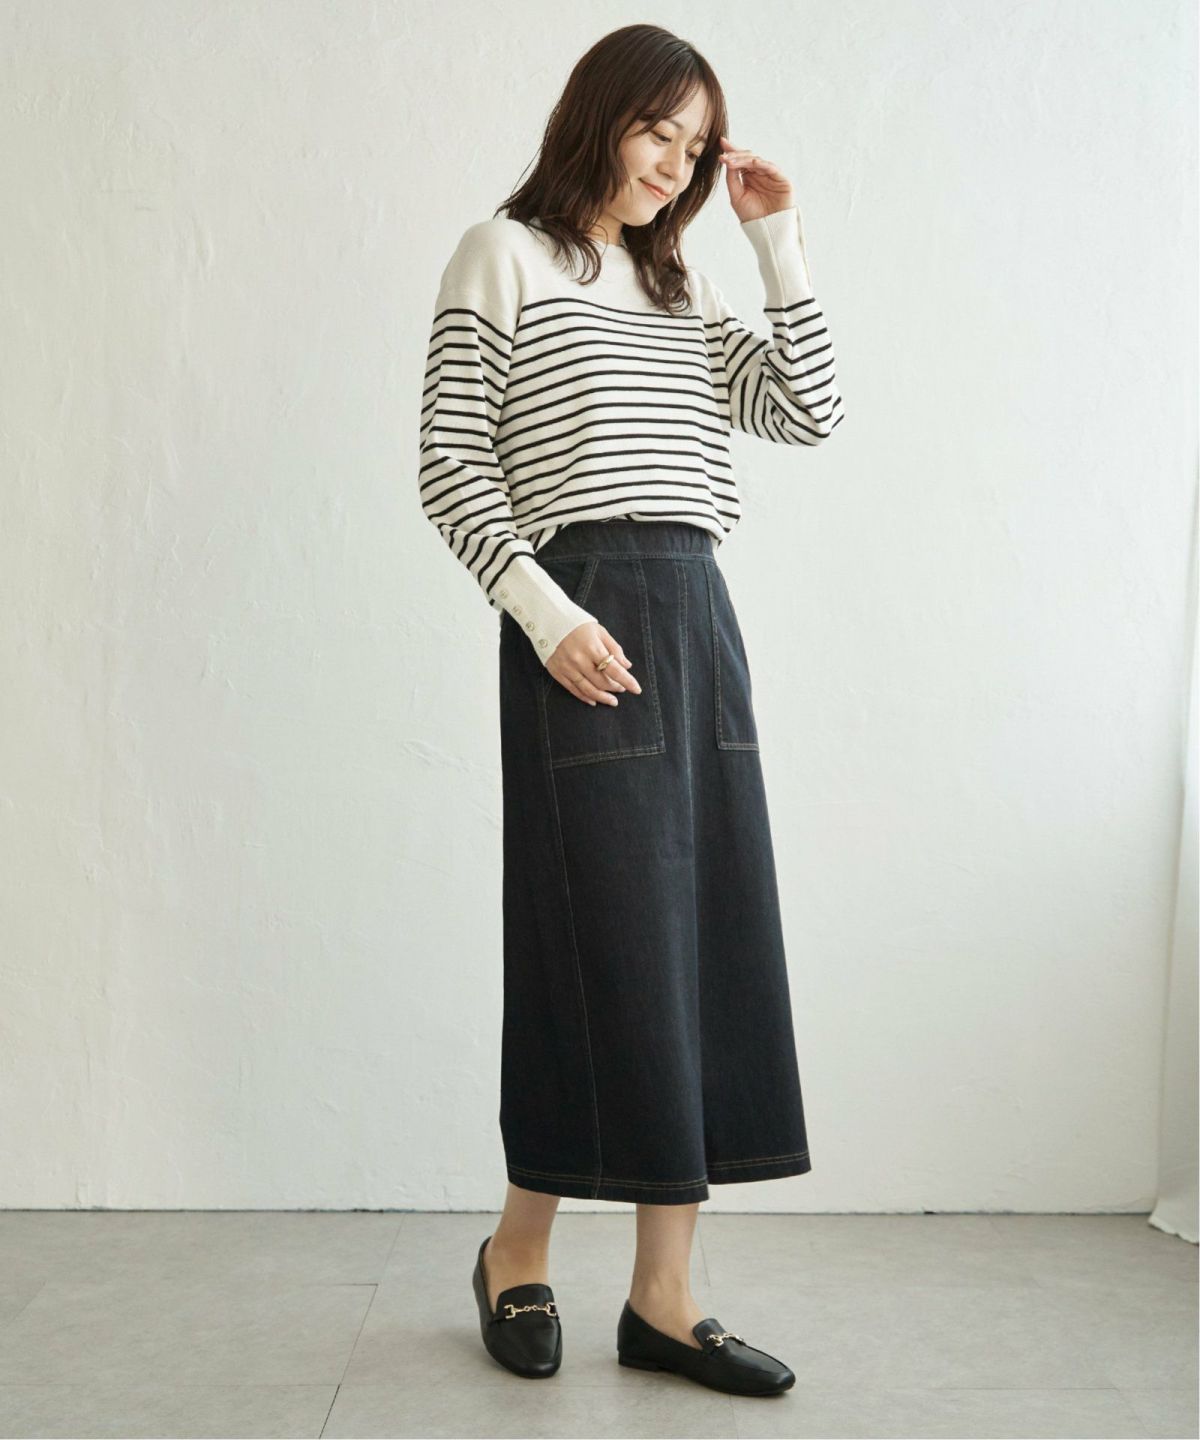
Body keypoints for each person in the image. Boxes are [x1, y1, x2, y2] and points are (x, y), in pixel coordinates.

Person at [418, 21, 844, 1398]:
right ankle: (518, 1248)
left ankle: (665, 1297)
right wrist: (547, 618)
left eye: (696, 145)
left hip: (698, 611)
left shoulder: (683, 285)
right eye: (659, 130)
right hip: (581, 613)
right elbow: (450, 465)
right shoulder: (503, 254)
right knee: (587, 944)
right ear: (598, 114)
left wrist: (775, 242)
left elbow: (808, 413)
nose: (676, 164)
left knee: (701, 943)